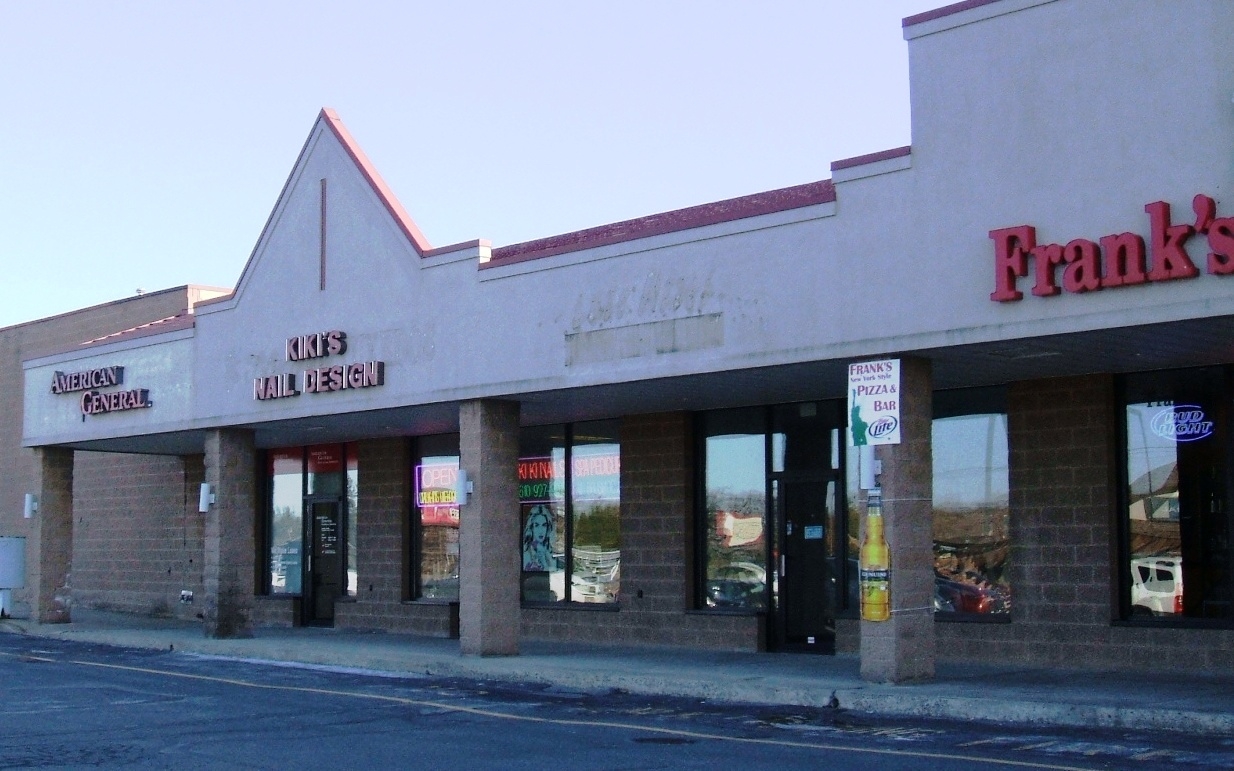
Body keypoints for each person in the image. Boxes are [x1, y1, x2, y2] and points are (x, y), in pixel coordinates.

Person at [522, 505, 555, 571]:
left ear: (547, 528)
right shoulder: (526, 553)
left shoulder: (549, 551)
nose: (541, 530)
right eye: (536, 525)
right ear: (532, 528)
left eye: (544, 525)